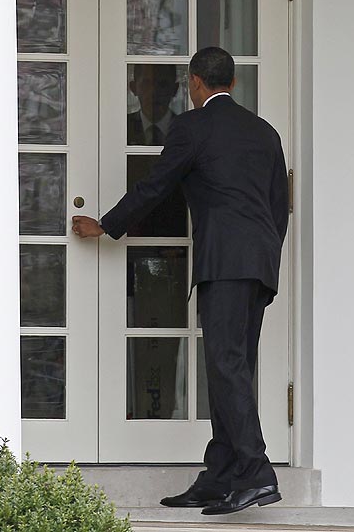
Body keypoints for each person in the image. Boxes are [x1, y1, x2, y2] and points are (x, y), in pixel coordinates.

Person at [72, 46, 289, 516]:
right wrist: (266, 258)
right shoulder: (265, 131)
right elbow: (278, 206)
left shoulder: (192, 127)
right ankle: (221, 474)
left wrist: (106, 225)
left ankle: (257, 473)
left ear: (194, 83)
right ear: (231, 82)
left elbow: (156, 186)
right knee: (234, 367)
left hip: (225, 265)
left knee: (227, 367)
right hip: (258, 267)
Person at [127, 63, 179, 146]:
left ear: (175, 89)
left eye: (162, 84)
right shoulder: (124, 126)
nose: (153, 92)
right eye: (146, 84)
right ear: (134, 88)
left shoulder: (184, 127)